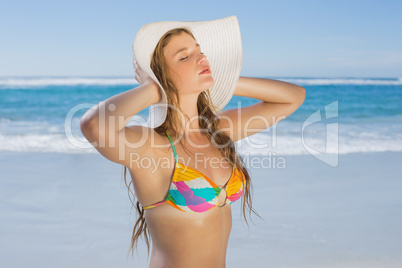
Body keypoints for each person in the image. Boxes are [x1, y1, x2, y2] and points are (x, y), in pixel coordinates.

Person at [80, 16, 305, 267]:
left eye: (200, 51)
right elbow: (94, 125)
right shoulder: (152, 147)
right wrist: (154, 87)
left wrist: (223, 79)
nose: (202, 58)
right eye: (184, 57)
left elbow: (293, 97)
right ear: (161, 75)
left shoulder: (217, 131)